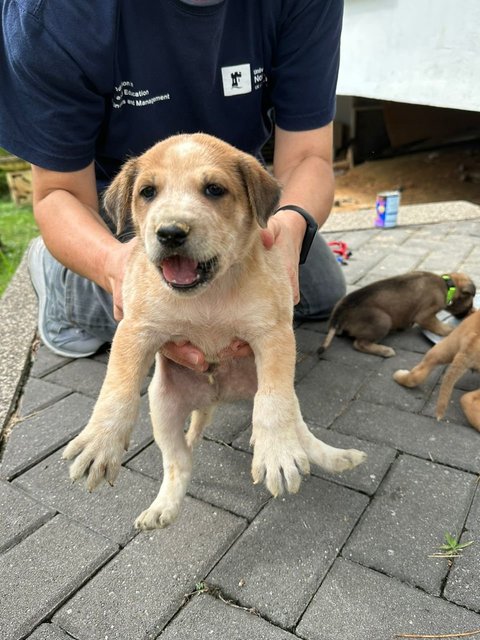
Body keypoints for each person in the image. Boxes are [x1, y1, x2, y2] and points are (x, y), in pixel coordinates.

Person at [0, 0, 346, 371]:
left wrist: (289, 231)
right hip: (122, 196)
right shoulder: (55, 12)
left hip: (227, 183)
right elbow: (59, 192)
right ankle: (62, 287)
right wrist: (114, 266)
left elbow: (308, 157)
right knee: (171, 310)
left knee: (318, 294)